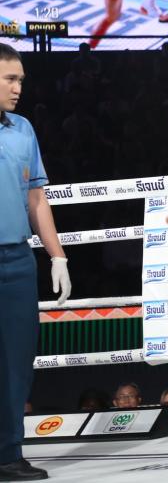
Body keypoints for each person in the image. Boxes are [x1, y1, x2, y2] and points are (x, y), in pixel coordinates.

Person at [0, 43, 71, 482]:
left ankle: (8, 455)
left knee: (16, 362)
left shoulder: (23, 129)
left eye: (21, 80)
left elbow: (37, 198)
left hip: (17, 261)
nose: (18, 88)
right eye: (10, 79)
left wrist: (57, 255)